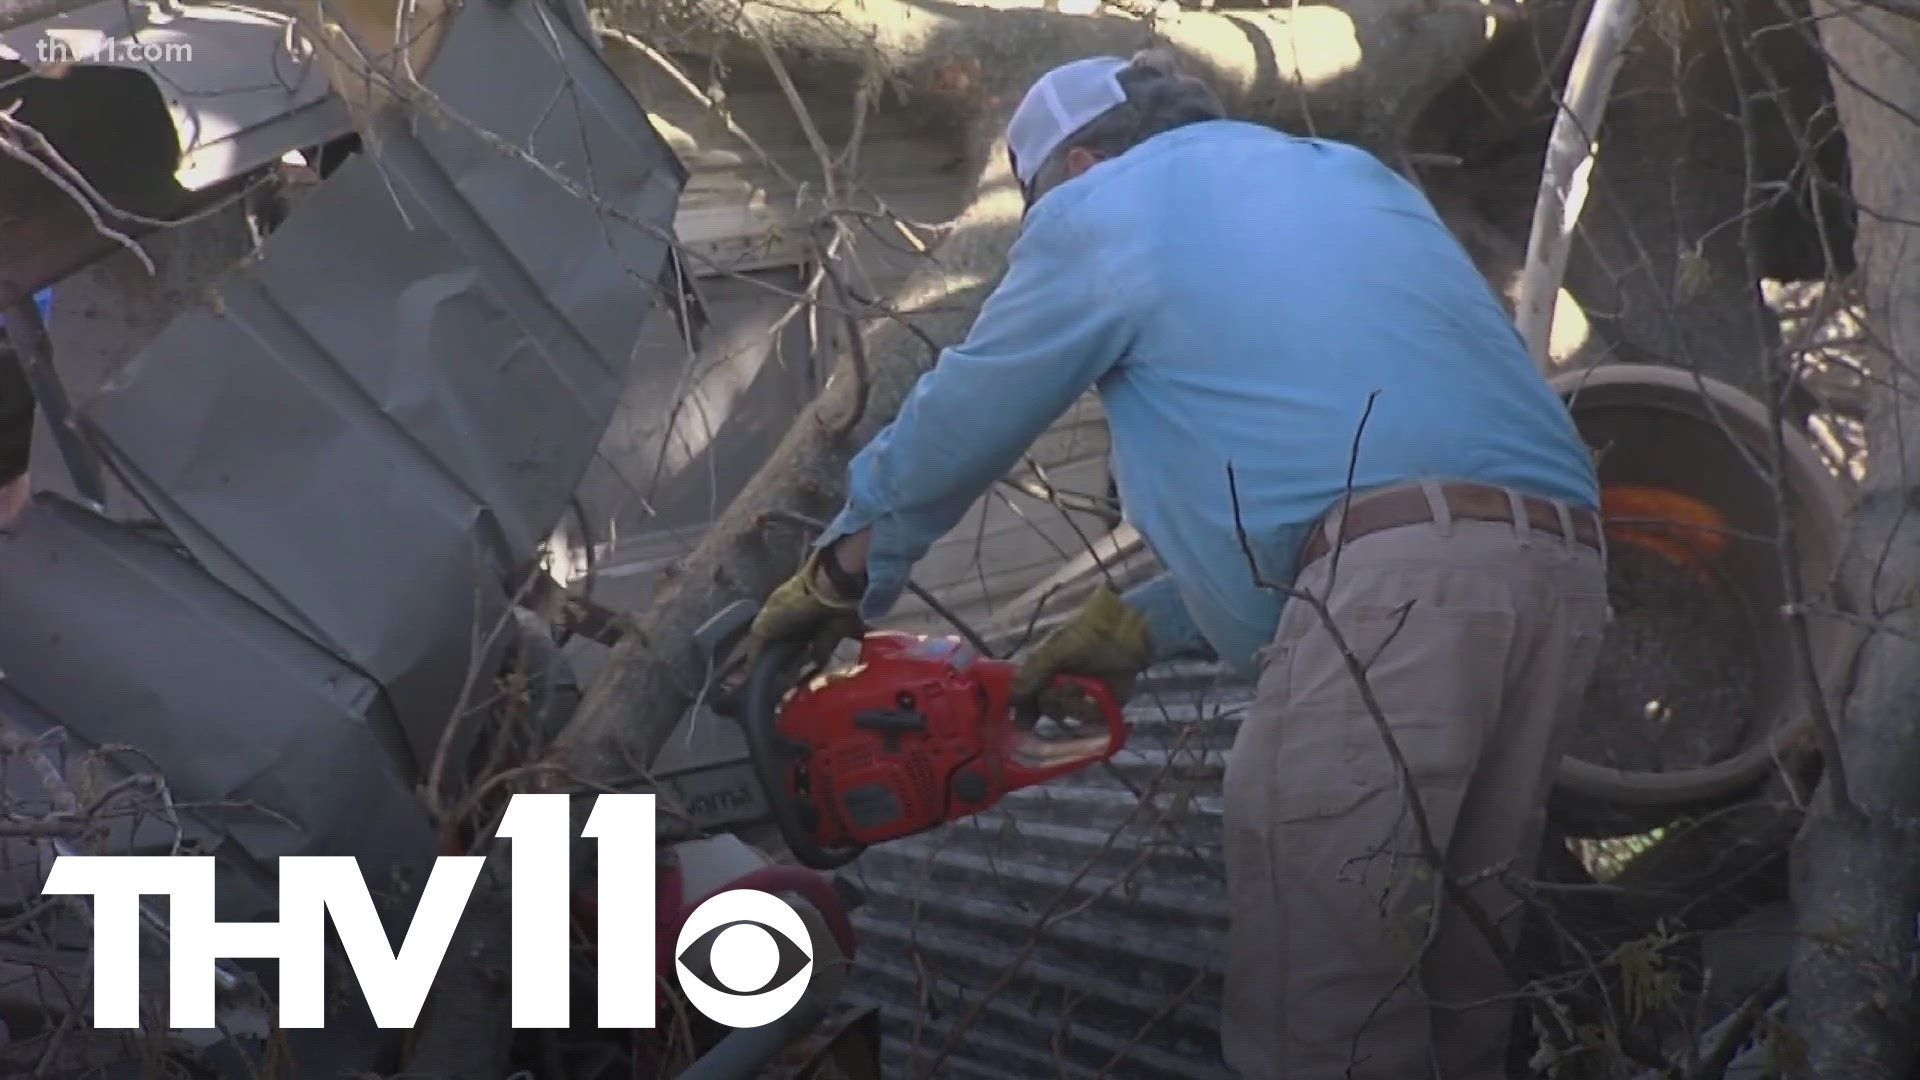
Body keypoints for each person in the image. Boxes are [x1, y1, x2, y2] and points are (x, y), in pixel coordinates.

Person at [745, 51, 1610, 1080]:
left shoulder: (1100, 206)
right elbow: (1365, 479)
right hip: (1560, 569)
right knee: (1460, 991)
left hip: (1388, 599)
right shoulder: (1350, 176)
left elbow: (968, 409)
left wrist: (846, 572)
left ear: (1072, 166)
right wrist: (1143, 624)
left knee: (1322, 1008)